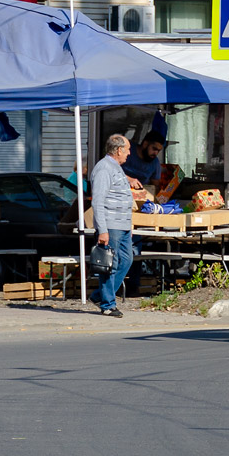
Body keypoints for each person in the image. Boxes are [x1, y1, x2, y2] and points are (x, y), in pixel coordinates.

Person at [90, 133, 135, 318]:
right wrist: (103, 230)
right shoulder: (104, 169)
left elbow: (123, 198)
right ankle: (108, 304)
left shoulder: (116, 167)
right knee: (111, 264)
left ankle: (99, 295)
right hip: (111, 225)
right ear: (118, 150)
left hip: (122, 225)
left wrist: (129, 226)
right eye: (128, 150)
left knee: (127, 260)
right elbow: (98, 201)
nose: (129, 154)